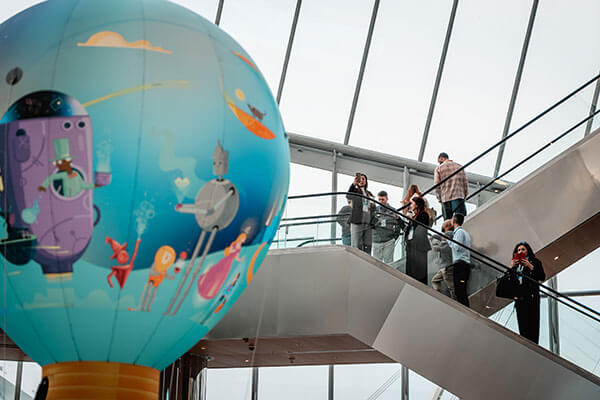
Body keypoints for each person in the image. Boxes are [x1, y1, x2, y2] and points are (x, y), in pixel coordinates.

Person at [509, 241, 546, 344]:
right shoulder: (516, 265)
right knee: (522, 324)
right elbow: (509, 280)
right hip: (520, 298)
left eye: (523, 249)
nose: (521, 251)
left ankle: (533, 345)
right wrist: (511, 268)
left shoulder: (535, 262)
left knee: (533, 324)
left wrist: (530, 266)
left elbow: (541, 276)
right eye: (519, 250)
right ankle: (525, 343)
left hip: (532, 297)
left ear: (528, 251)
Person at [403, 196, 431, 285]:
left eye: (412, 203)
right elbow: (407, 230)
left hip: (419, 246)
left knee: (419, 270)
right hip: (411, 246)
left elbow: (421, 227)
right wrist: (399, 219)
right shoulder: (414, 216)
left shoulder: (423, 215)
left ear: (417, 205)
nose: (411, 205)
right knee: (411, 269)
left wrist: (411, 219)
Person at [346, 173, 375, 254]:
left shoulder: (369, 193)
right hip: (357, 221)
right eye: (360, 179)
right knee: (356, 245)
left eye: (363, 179)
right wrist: (353, 184)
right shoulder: (355, 191)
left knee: (367, 245)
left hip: (368, 222)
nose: (361, 181)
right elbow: (348, 196)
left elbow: (373, 206)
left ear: (366, 181)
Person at [434, 152, 468, 220]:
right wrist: (464, 196)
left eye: (439, 161)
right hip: (458, 196)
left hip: (445, 198)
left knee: (447, 222)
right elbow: (465, 184)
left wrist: (439, 198)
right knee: (460, 220)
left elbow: (436, 185)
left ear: (441, 158)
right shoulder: (460, 167)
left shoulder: (439, 168)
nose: (439, 163)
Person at [447, 213, 471, 307]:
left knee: (459, 290)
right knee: (461, 291)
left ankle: (465, 310)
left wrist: (449, 241)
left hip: (460, 264)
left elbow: (457, 247)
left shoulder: (459, 232)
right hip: (464, 263)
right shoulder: (465, 233)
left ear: (454, 221)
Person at [372, 191, 403, 263]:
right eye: (379, 199)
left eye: (382, 199)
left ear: (387, 199)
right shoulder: (374, 211)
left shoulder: (393, 211)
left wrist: (394, 237)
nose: (381, 201)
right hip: (376, 241)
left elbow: (398, 224)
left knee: (389, 263)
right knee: (376, 263)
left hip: (389, 241)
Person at [431, 219, 455, 298]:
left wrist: (437, 248)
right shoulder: (449, 236)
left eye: (443, 225)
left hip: (447, 266)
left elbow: (444, 246)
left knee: (452, 287)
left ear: (447, 226)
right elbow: (442, 238)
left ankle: (455, 303)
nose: (442, 227)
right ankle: (440, 298)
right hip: (445, 266)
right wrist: (434, 236)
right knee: (435, 280)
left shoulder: (449, 235)